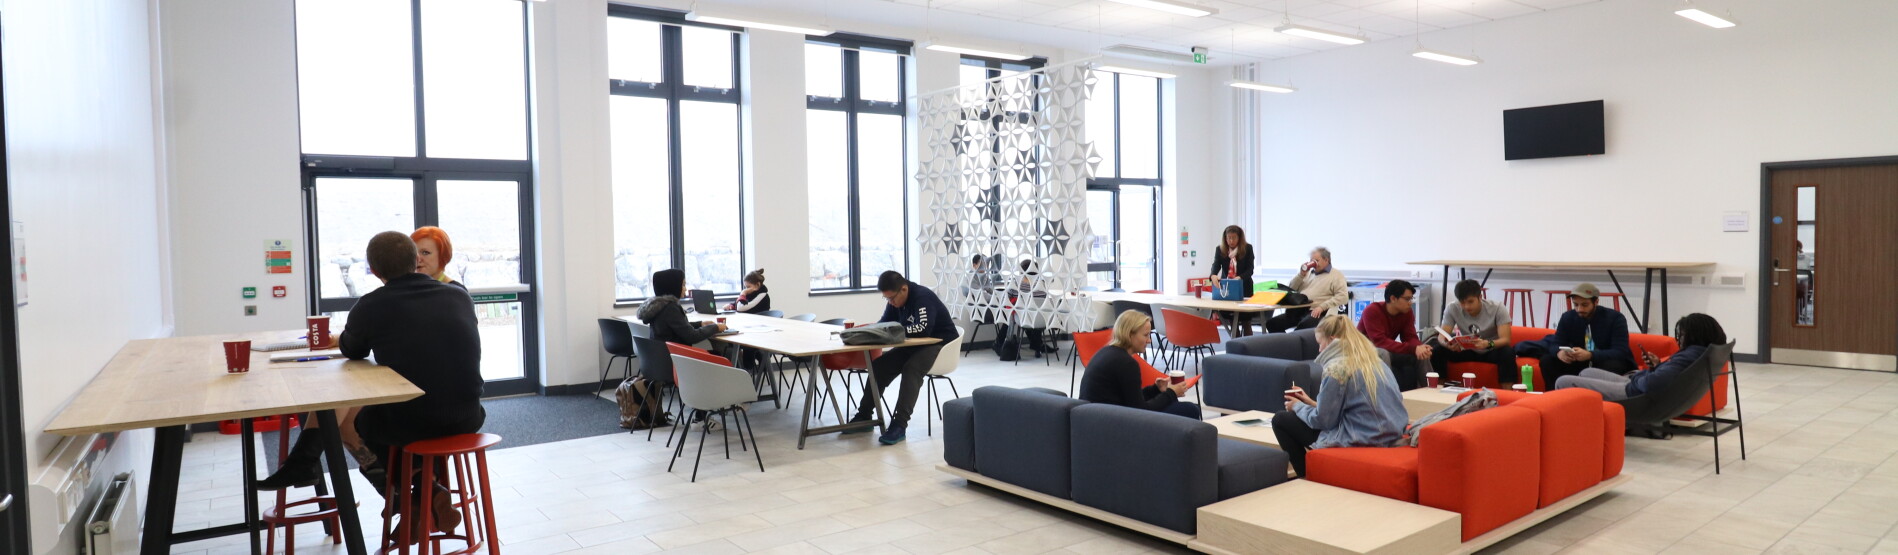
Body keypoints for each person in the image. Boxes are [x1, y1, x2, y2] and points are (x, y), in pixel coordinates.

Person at [255, 231, 484, 536]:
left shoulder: (372, 304)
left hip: (414, 420)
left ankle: (410, 498)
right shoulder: (458, 295)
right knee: (355, 405)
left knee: (347, 420)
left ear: (374, 271)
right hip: (469, 417)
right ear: (415, 261)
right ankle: (423, 495)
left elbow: (352, 350)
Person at [1272, 315, 1409, 477]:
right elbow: (1357, 407)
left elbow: (1323, 420)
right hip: (1389, 432)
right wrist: (1310, 403)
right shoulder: (1375, 360)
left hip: (1363, 436)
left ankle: (1307, 475)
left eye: (1320, 343)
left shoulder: (1337, 368)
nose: (1319, 350)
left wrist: (1297, 406)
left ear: (1332, 339)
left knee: (1281, 420)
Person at [845, 271, 958, 445]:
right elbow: (885, 325)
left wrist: (893, 331)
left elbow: (923, 329)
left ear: (903, 289)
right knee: (879, 365)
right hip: (913, 345)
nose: (891, 303)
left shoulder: (922, 297)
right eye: (887, 299)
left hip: (939, 344)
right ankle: (864, 416)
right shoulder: (895, 302)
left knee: (911, 368)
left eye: (892, 298)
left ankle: (899, 424)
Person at [1555, 314, 1725, 401]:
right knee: (1587, 372)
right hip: (1639, 385)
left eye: (1682, 335)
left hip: (1635, 394)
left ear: (1695, 335)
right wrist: (1657, 365)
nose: (1679, 339)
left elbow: (1652, 383)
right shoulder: (1700, 352)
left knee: (1563, 381)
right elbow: (1669, 374)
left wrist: (1638, 377)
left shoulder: (1688, 355)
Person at [1079, 310, 1199, 419]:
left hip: (1095, 418)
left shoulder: (1106, 352)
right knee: (1190, 409)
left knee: (1178, 406)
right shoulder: (1127, 363)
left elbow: (1130, 398)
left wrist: (1156, 389)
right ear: (1130, 335)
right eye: (1145, 335)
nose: (1149, 340)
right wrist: (1171, 393)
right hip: (1112, 421)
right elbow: (1140, 411)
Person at [1533, 283, 1634, 386]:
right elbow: (1555, 344)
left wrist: (1591, 355)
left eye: (1585, 305)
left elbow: (1620, 352)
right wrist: (1560, 353)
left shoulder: (1615, 318)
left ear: (1596, 302)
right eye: (1576, 304)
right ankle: (1555, 397)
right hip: (1578, 361)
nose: (1579, 309)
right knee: (1547, 360)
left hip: (1603, 361)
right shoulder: (1568, 317)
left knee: (1612, 365)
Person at [1428, 279, 1519, 384]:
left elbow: (1506, 340)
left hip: (1490, 349)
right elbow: (1442, 336)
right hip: (1468, 349)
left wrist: (1488, 344)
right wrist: (1447, 344)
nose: (1466, 306)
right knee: (1438, 350)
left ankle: (1508, 392)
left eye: (1470, 302)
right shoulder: (1452, 308)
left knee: (1507, 352)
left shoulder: (1497, 308)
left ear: (1480, 297)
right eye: (1462, 303)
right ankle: (1438, 388)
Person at [1355, 280, 1430, 390]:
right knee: (1383, 353)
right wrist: (1413, 348)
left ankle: (1429, 389)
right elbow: (1380, 342)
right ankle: (1387, 393)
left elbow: (1410, 337)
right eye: (1407, 299)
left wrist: (1420, 347)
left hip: (1386, 348)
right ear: (1393, 298)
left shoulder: (1407, 313)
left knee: (1422, 353)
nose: (1411, 302)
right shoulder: (1372, 311)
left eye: (1411, 298)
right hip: (1364, 351)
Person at [1266, 246, 1347, 333]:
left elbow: (1343, 296)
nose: (1314, 263)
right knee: (1272, 323)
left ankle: (1294, 344)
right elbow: (1291, 288)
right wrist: (1301, 275)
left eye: (1317, 260)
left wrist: (1322, 307)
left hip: (1318, 311)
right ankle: (1285, 345)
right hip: (1299, 310)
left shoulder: (1336, 275)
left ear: (1326, 260)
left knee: (1301, 329)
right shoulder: (1308, 274)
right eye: (1311, 261)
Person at [996, 259, 1057, 357]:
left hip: (1022, 318)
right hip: (1039, 319)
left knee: (1011, 314)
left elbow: (1005, 299)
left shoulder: (1015, 284)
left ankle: (999, 343)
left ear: (1021, 271)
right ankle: (1038, 346)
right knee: (1031, 312)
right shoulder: (1042, 285)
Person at [1208, 225, 1257, 336]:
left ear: (1239, 238)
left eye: (1234, 238)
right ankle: (1236, 344)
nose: (1231, 241)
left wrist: (1239, 278)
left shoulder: (1247, 248)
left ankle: (1249, 347)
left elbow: (1250, 269)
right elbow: (1216, 265)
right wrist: (1213, 275)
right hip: (1228, 288)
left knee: (1246, 321)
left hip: (1245, 287)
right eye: (1228, 238)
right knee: (1232, 320)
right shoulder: (1220, 249)